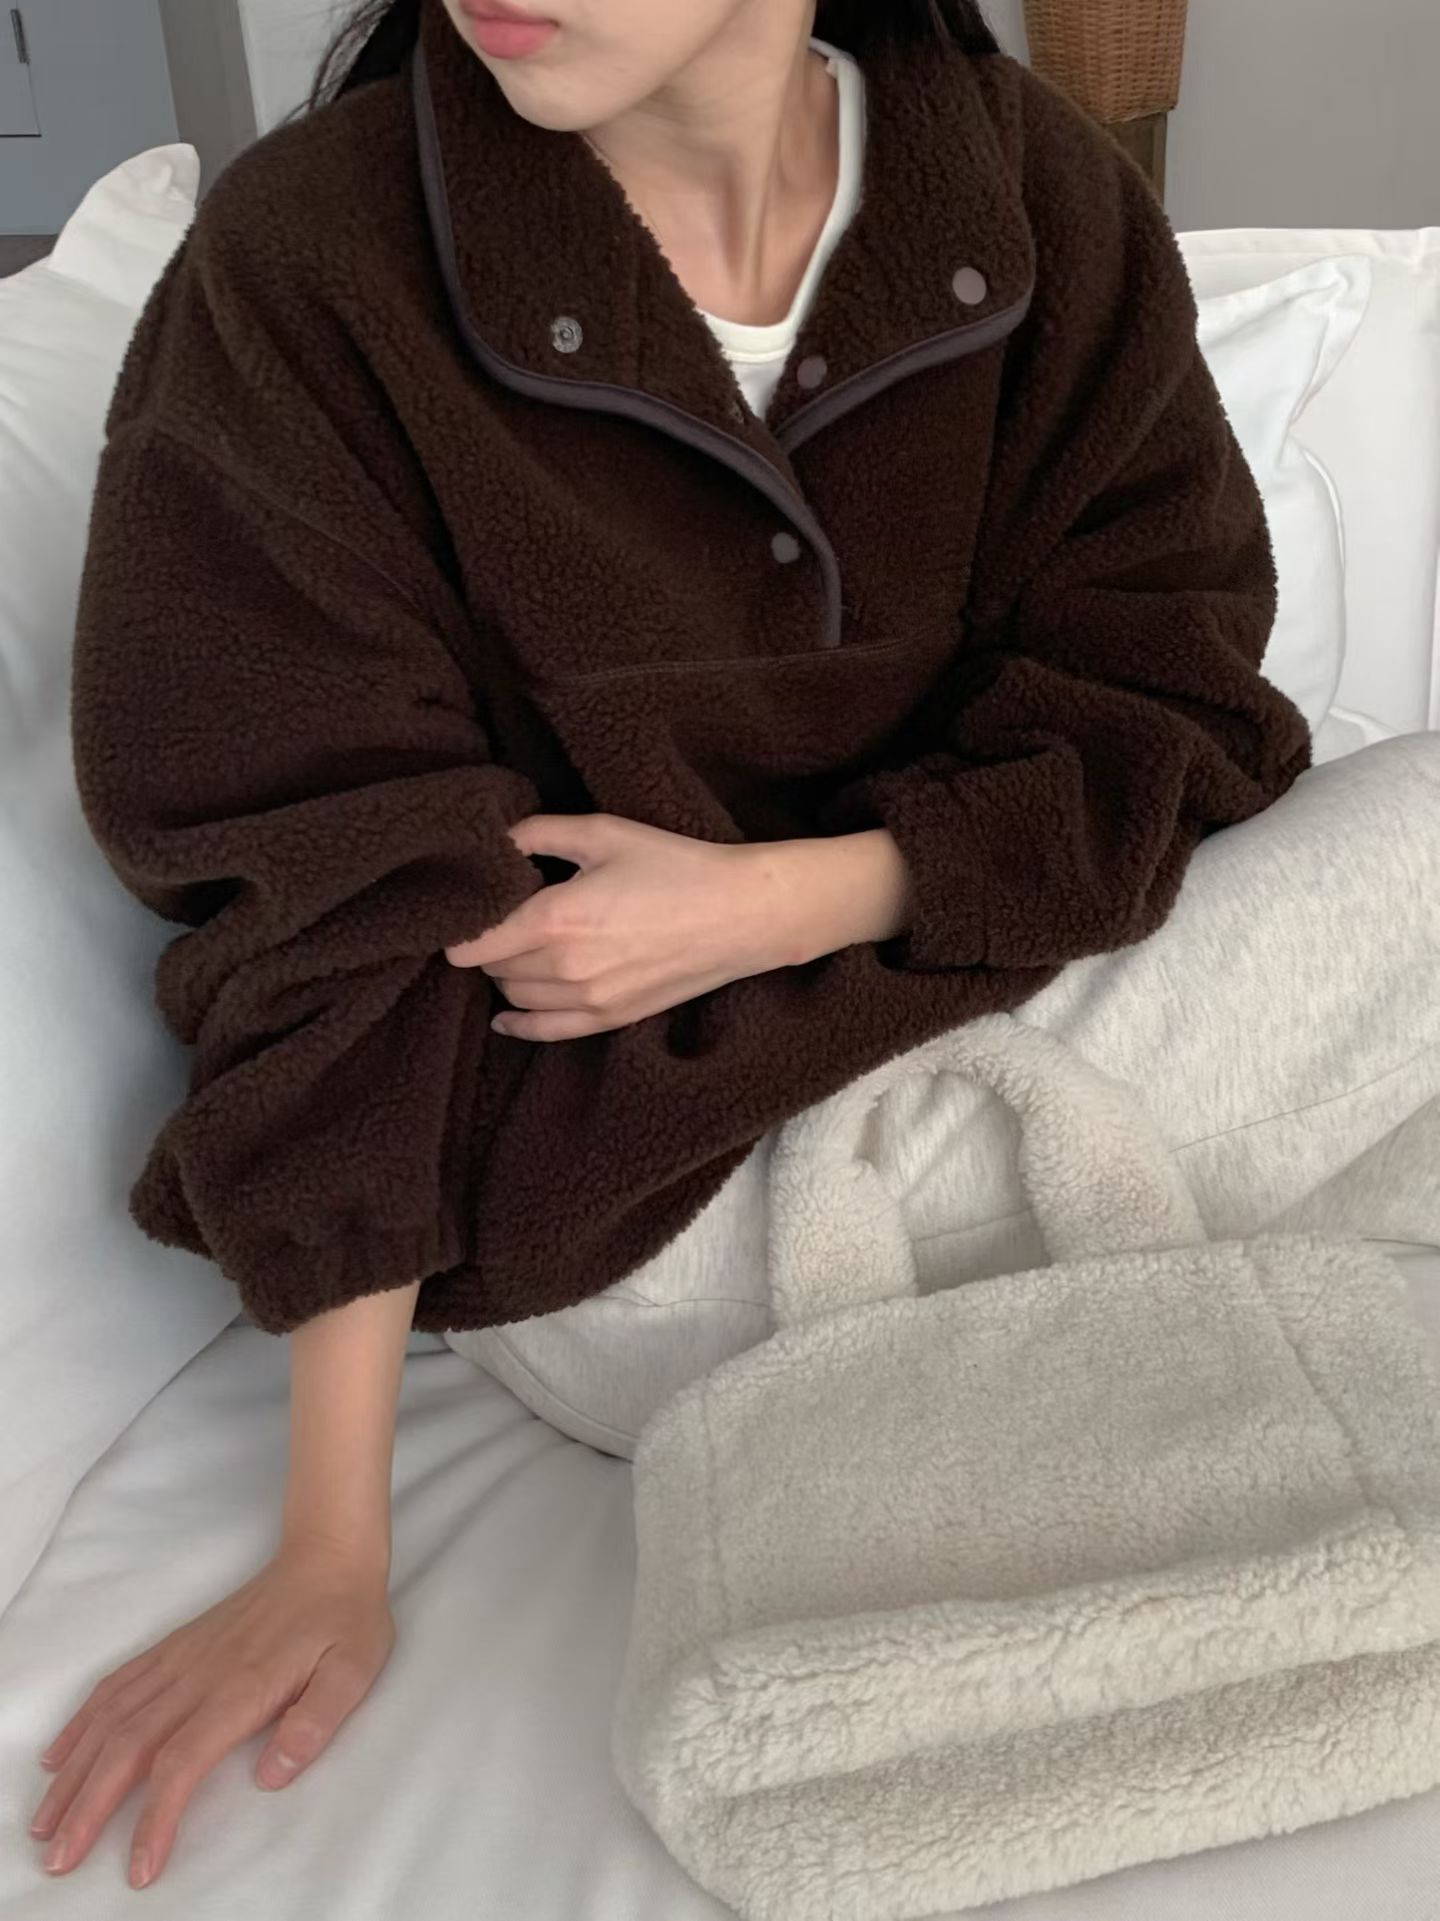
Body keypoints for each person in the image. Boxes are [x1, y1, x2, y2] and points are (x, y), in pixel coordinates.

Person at [33, 0, 1440, 1893]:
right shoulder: (310, 263)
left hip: (983, 1010)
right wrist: (329, 1545)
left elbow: (1168, 712)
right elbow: (329, 907)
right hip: (630, 1213)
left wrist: (794, 893)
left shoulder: (1030, 192)